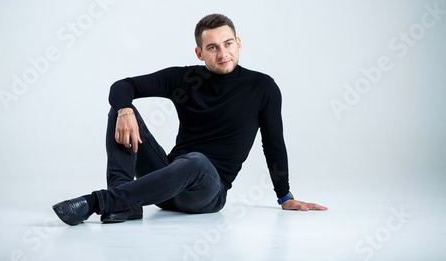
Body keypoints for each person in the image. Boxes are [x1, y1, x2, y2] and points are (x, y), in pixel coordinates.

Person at [52, 13, 327, 226]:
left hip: (207, 192)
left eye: (228, 43)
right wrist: (124, 109)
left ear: (238, 43)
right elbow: (123, 86)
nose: (223, 53)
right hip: (167, 182)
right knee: (122, 111)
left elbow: (274, 144)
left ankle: (97, 202)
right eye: (212, 47)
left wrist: (285, 196)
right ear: (200, 52)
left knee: (195, 161)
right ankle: (125, 201)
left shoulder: (262, 87)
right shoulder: (184, 79)